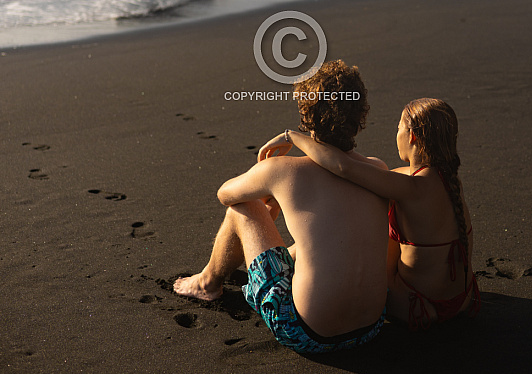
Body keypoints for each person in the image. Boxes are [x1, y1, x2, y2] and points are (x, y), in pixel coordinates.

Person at [174, 60, 389, 354]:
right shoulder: (378, 170)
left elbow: (225, 194)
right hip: (370, 328)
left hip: (307, 333)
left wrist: (265, 173)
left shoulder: (284, 170)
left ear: (306, 111)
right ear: (360, 113)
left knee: (243, 208)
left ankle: (208, 283)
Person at [259, 98, 480, 331]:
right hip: (463, 301)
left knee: (360, 220)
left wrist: (291, 136)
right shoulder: (447, 179)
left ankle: (283, 260)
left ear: (412, 136)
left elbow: (343, 167)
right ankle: (289, 255)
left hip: (418, 308)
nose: (396, 134)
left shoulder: (413, 187)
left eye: (398, 128)